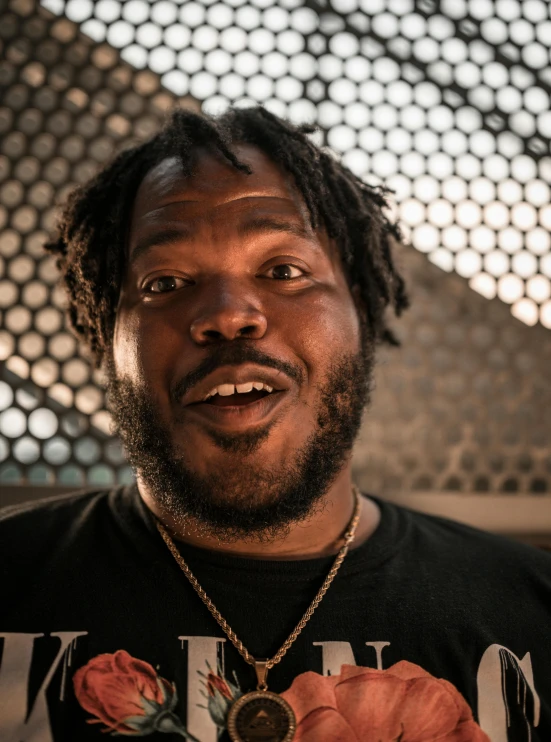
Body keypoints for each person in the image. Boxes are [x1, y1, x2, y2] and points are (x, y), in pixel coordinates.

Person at [0, 106, 549, 742]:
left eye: (284, 270)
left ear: (360, 316)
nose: (229, 315)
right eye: (166, 280)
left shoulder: (533, 609)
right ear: (107, 335)